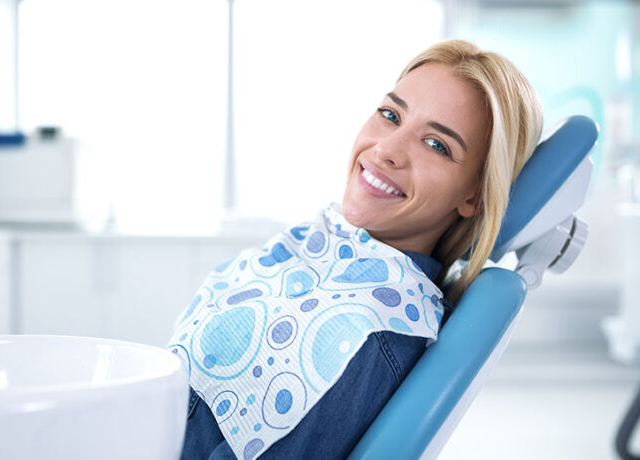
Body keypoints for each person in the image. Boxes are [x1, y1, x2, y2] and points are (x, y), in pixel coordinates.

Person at [169, 38, 543, 460]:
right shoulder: (322, 244)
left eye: (436, 144)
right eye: (390, 115)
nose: (386, 150)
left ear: (474, 196)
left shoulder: (365, 332)